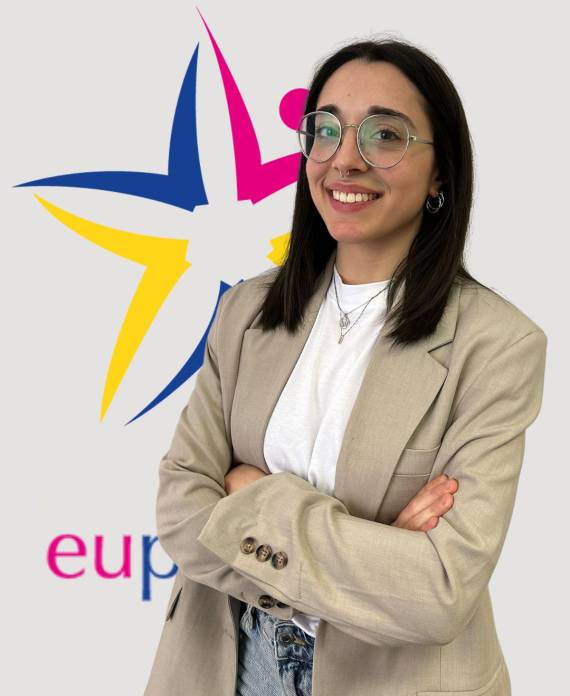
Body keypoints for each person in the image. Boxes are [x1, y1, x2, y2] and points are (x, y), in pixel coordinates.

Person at [144, 38, 547, 696]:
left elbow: (439, 591)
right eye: (325, 131)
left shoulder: (497, 345)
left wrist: (249, 496)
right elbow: (180, 510)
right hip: (225, 663)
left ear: (440, 173)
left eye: (384, 134)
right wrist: (372, 548)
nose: (345, 159)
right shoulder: (245, 311)